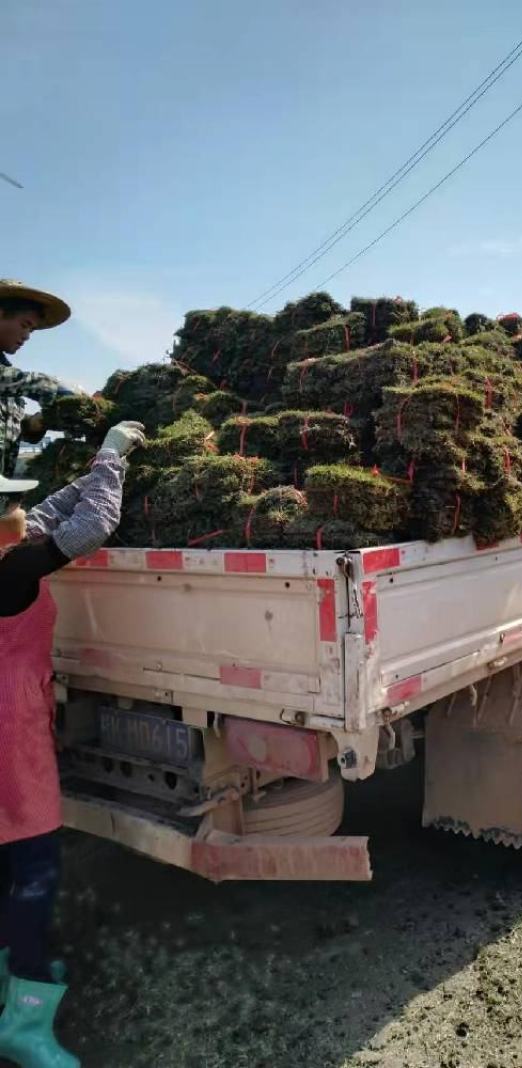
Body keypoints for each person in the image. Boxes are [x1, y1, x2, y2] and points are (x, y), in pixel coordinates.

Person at [0, 420, 145, 1068]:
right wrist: (111, 457)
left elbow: (52, 513)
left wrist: (88, 473)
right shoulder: (16, 569)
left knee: (5, 868)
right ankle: (25, 1025)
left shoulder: (12, 552)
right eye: (12, 500)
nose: (23, 506)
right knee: (35, 871)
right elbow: (89, 527)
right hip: (9, 740)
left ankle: (13, 978)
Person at [0, 279, 77, 481]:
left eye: (31, 330)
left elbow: (8, 426)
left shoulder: (8, 375)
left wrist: (36, 422)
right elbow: (23, 382)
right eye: (24, 325)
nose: (26, 336)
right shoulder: (9, 378)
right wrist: (67, 394)